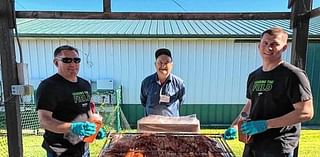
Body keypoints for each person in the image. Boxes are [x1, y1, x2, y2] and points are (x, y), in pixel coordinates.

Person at [224, 27, 314, 157]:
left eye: (274, 44)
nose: (268, 48)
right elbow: (250, 105)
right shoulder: (254, 76)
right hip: (253, 143)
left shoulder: (293, 75)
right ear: (258, 46)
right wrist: (234, 126)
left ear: (284, 48)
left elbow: (306, 112)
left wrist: (266, 124)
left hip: (278, 147)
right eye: (265, 43)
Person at [36, 45, 106, 157]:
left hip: (83, 148)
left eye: (76, 60)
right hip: (60, 150)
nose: (73, 64)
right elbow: (44, 120)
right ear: (56, 62)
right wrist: (72, 127)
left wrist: (96, 128)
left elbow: (87, 110)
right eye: (67, 60)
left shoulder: (85, 84)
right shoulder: (48, 87)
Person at [140, 48, 185, 116]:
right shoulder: (146, 82)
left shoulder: (179, 84)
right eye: (160, 62)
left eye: (166, 63)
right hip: (151, 125)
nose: (163, 66)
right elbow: (144, 102)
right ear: (155, 64)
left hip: (171, 125)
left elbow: (181, 101)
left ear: (171, 65)